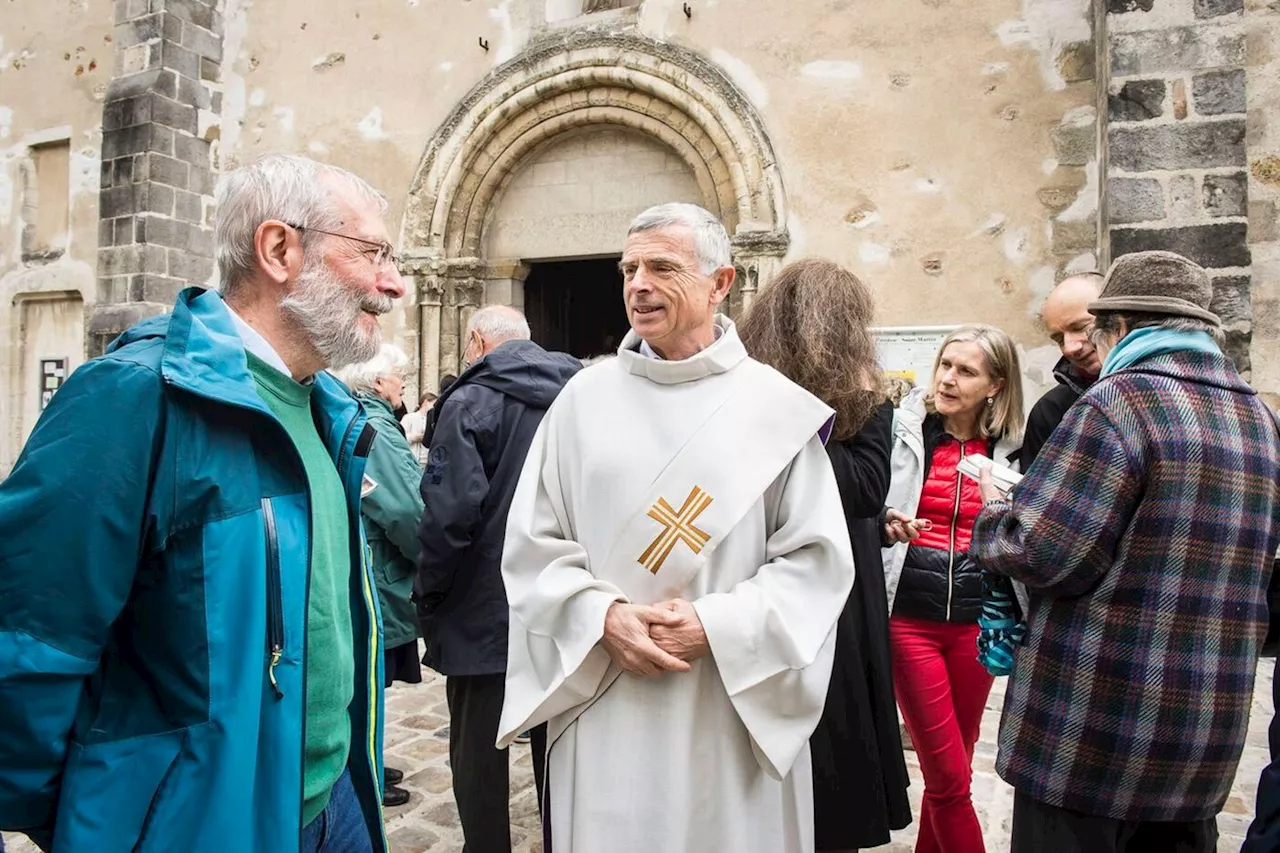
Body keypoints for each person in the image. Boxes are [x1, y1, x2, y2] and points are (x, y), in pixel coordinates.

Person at [0, 153, 406, 852]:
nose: (393, 282)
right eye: (373, 254)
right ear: (279, 248)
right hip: (200, 825)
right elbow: (29, 642)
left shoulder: (333, 410)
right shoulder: (132, 396)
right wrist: (116, 820)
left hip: (335, 801)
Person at [496, 203, 855, 852]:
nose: (638, 283)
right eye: (628, 268)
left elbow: (817, 563)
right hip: (608, 689)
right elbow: (531, 545)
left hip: (726, 700)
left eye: (662, 266)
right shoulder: (581, 400)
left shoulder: (772, 408)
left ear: (721, 282)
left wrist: (715, 626)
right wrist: (600, 615)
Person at [971, 250, 1280, 853]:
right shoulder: (1259, 418)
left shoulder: (1116, 404)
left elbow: (1044, 556)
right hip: (1200, 741)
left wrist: (994, 514)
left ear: (1120, 328)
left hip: (1093, 735)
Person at [738, 258, 912, 851]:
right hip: (786, 581)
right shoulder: (749, 393)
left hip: (835, 583)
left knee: (827, 739)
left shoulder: (847, 399)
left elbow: (863, 491)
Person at [415, 305, 580, 853]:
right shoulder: (579, 395)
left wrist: (429, 593)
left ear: (477, 341)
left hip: (480, 607)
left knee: (478, 749)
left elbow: (448, 516)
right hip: (560, 598)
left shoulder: (467, 401)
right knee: (556, 739)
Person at [881, 323, 1025, 853]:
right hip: (910, 620)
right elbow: (864, 500)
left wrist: (997, 505)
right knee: (947, 779)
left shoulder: (1015, 450)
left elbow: (1027, 535)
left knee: (957, 764)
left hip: (977, 625)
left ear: (995, 385)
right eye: (945, 364)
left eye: (965, 371)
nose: (947, 378)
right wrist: (886, 521)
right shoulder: (903, 431)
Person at [333, 343, 426, 810]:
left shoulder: (364, 416)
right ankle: (360, 770)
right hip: (381, 574)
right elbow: (405, 510)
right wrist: (430, 559)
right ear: (375, 383)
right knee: (366, 677)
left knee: (368, 677)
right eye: (398, 374)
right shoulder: (375, 426)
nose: (403, 381)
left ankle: (367, 758)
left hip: (375, 567)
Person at [1020, 272, 1104, 469]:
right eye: (1059, 339)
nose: (1069, 348)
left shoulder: (1165, 388)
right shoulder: (1050, 411)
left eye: (1080, 327)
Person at [401, 390, 437, 467]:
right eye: (433, 404)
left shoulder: (433, 420)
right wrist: (415, 437)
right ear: (426, 402)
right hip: (412, 460)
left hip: (428, 461)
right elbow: (399, 437)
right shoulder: (409, 417)